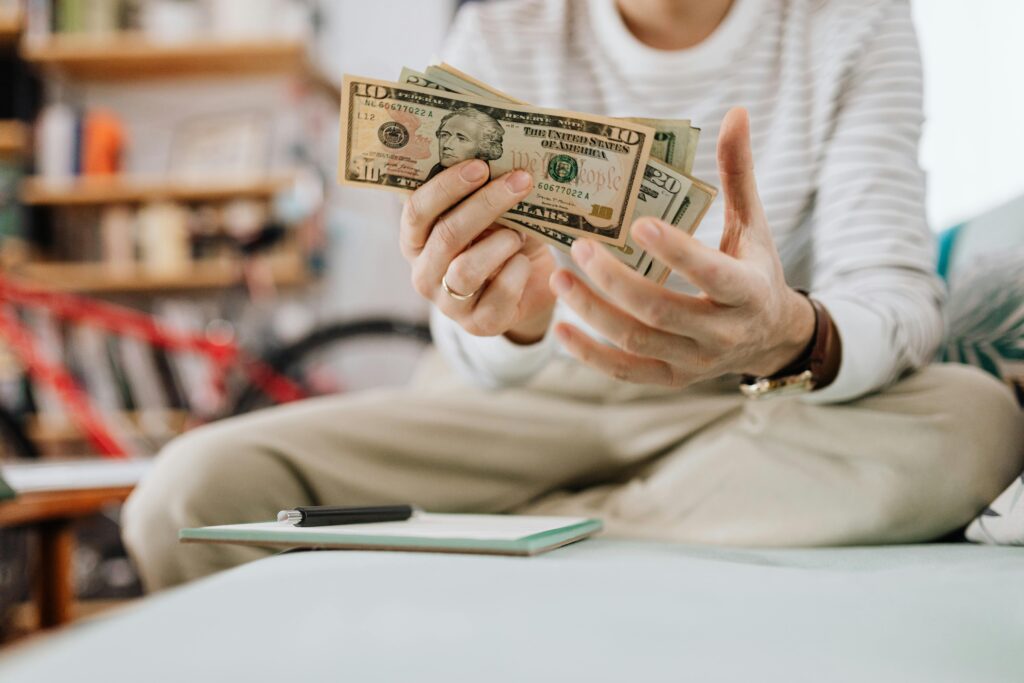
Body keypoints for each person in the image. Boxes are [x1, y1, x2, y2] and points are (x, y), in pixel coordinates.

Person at [123, 0, 1024, 591]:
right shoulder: (503, 28)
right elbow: (469, 336)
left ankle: (511, 534)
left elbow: (892, 293)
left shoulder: (853, 21)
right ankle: (577, 528)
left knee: (977, 421)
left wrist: (788, 333)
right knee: (186, 496)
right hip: (515, 407)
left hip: (740, 414)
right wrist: (503, 321)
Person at [425, 106, 505, 182]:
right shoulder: (436, 170)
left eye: (461, 138)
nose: (446, 145)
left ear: (484, 148)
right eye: (444, 135)